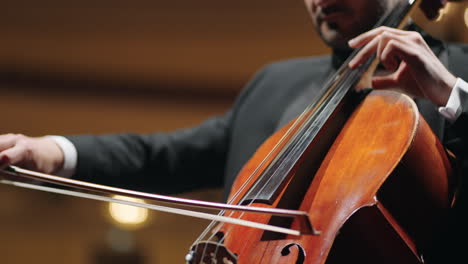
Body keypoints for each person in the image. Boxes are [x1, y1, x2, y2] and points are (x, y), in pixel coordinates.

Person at [0, 0, 467, 262]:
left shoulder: (455, 73)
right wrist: (51, 153)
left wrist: (451, 95)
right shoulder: (274, 83)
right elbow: (165, 154)